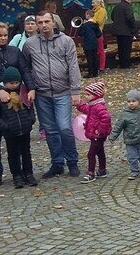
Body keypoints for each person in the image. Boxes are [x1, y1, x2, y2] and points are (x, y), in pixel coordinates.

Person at [24, 10, 82, 178]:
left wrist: (75, 90)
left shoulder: (66, 41)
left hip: (62, 91)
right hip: (42, 94)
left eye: (46, 21)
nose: (43, 25)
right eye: (40, 22)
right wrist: (31, 87)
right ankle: (57, 162)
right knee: (50, 130)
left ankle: (72, 161)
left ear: (53, 22)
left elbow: (73, 66)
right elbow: (26, 67)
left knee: (64, 127)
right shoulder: (30, 44)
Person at [0, 25, 35, 187]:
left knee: (20, 137)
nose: (3, 38)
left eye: (5, 35)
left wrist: (31, 88)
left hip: (16, 98)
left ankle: (25, 172)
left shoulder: (14, 51)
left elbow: (25, 70)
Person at [0, 66, 37, 188]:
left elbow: (29, 106)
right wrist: (5, 126)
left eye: (16, 82)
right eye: (11, 83)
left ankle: (29, 174)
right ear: (5, 83)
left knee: (26, 153)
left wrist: (30, 120)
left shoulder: (23, 92)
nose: (14, 85)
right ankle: (17, 175)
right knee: (13, 154)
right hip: (10, 131)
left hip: (24, 129)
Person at [109, 89, 140, 179]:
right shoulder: (125, 114)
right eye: (129, 101)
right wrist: (113, 136)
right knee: (132, 157)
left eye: (133, 101)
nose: (131, 103)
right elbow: (118, 126)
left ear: (139, 101)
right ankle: (134, 171)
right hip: (130, 141)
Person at [77, 81, 112, 183]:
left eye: (88, 95)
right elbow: (87, 109)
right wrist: (80, 104)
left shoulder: (99, 106)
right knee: (100, 151)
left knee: (91, 154)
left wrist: (99, 130)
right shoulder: (93, 105)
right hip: (96, 134)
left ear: (96, 95)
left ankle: (90, 173)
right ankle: (102, 170)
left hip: (98, 135)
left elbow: (106, 118)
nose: (87, 97)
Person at [111, 0, 136, 68]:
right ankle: (126, 64)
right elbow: (130, 18)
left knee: (121, 47)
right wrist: (133, 27)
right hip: (126, 31)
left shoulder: (116, 6)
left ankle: (121, 64)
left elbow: (112, 17)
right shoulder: (127, 6)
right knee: (127, 48)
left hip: (118, 31)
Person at [78, 9, 104, 78]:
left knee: (89, 58)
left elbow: (80, 33)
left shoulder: (85, 25)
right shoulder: (95, 24)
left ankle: (90, 73)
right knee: (95, 57)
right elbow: (99, 34)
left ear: (88, 15)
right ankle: (95, 72)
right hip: (94, 43)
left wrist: (81, 26)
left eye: (86, 15)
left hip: (87, 43)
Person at [91, 0, 107, 72]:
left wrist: (91, 20)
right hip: (92, 33)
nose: (92, 4)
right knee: (95, 50)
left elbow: (99, 22)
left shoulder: (102, 10)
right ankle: (96, 65)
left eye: (93, 3)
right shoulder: (93, 11)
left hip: (98, 32)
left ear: (98, 3)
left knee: (100, 50)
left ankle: (102, 67)